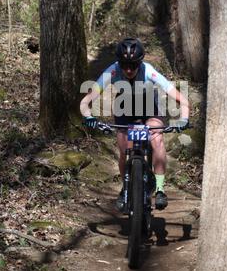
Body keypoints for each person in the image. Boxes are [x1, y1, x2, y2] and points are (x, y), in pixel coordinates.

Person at [80, 38, 189, 211]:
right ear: (119, 63)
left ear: (140, 62)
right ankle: (126, 186)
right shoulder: (113, 71)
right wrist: (89, 117)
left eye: (133, 65)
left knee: (157, 138)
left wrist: (183, 118)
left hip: (149, 107)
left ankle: (160, 189)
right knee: (124, 151)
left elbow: (181, 98)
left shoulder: (149, 71)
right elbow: (86, 101)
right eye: (124, 65)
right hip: (124, 109)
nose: (129, 70)